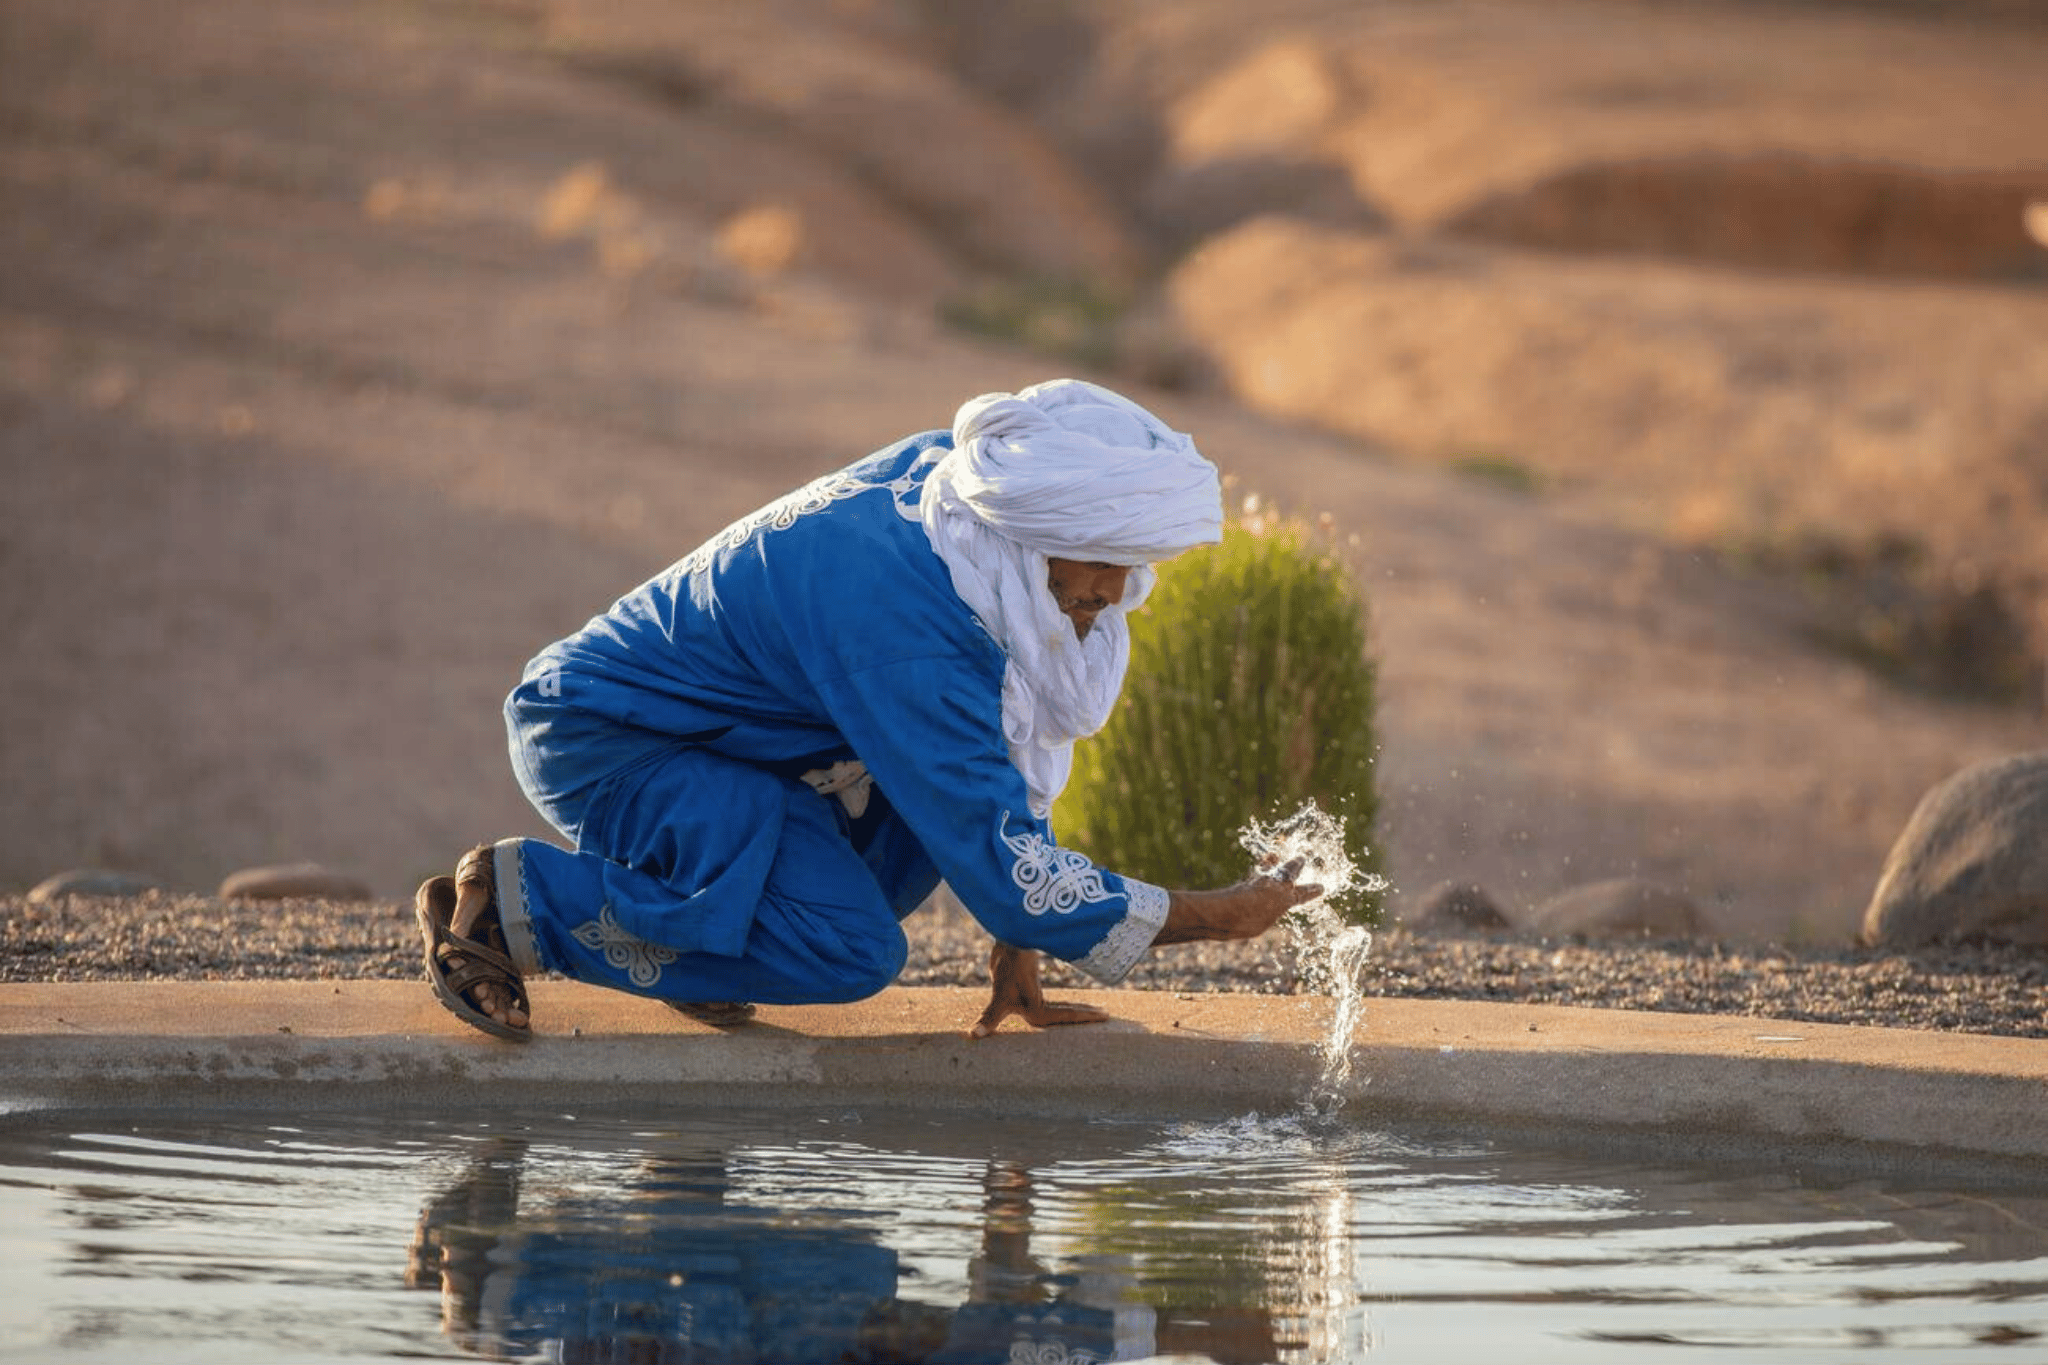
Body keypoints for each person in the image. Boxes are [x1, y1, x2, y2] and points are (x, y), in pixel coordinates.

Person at [415, 378, 1321, 1042]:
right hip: (612, 740)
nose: (1119, 590)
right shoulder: (914, 628)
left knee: (906, 851)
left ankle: (707, 945)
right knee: (852, 951)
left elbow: (990, 781)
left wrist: (1018, 956)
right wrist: (1221, 914)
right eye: (1099, 560)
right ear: (1031, 532)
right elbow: (1014, 872)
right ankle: (513, 904)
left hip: (743, 749)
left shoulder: (956, 504)